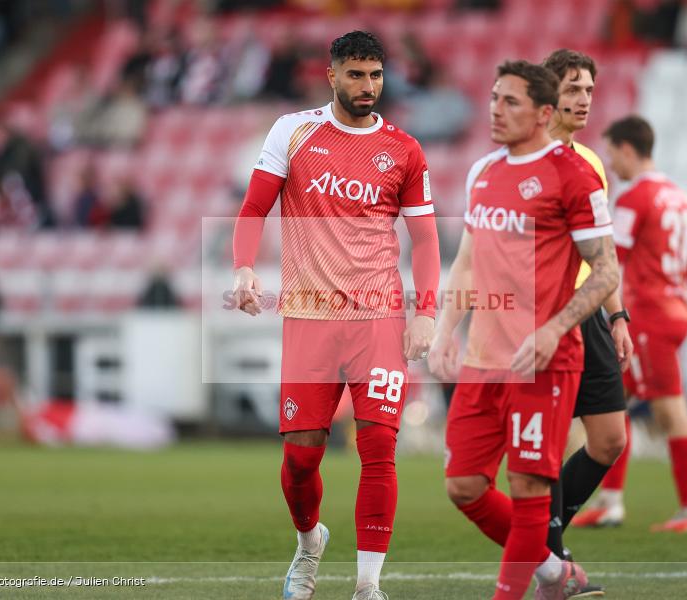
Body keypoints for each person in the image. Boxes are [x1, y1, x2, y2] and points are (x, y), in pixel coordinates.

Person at [231, 31, 440, 600]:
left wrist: (425, 312)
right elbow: (254, 207)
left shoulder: (404, 149)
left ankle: (368, 585)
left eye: (375, 75)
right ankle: (308, 543)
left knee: (379, 448)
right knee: (300, 458)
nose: (368, 85)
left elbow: (425, 239)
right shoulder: (293, 131)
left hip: (379, 316)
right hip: (309, 314)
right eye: (355, 74)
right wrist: (244, 268)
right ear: (331, 75)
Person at [428, 60, 619, 599]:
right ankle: (555, 572)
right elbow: (467, 263)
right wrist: (445, 331)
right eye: (493, 98)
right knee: (464, 486)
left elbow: (606, 270)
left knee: (529, 484)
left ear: (541, 114)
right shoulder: (483, 172)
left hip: (542, 361)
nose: (495, 110)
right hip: (483, 360)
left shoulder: (574, 175)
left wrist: (555, 329)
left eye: (510, 102)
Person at [577, 115, 687, 532]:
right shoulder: (680, 197)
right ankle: (610, 502)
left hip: (647, 316)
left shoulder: (633, 199)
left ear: (627, 149)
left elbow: (611, 260)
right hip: (675, 311)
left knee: (669, 409)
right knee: (613, 401)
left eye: (611, 153)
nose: (610, 163)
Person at [539, 49, 632, 554]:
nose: (584, 99)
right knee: (548, 444)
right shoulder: (527, 159)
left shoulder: (592, 162)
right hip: (546, 315)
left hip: (590, 311)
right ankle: (550, 552)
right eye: (573, 88)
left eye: (589, 90)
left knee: (610, 438)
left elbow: (603, 249)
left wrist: (617, 315)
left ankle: (543, 536)